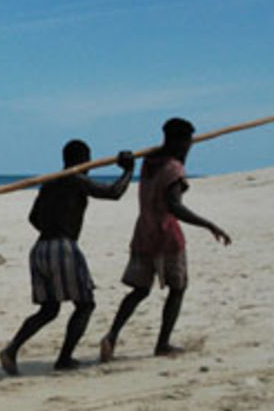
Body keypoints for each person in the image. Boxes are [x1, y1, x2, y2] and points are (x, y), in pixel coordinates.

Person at [99, 118, 231, 361]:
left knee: (139, 290)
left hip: (143, 232)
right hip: (167, 235)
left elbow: (170, 166)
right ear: (181, 141)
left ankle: (112, 335)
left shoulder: (150, 162)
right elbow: (175, 206)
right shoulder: (173, 169)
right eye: (188, 142)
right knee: (178, 288)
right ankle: (162, 344)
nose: (190, 147)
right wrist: (208, 224)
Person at [0, 141, 134, 375]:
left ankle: (12, 350)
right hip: (63, 247)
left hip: (40, 248)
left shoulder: (51, 182)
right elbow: (113, 193)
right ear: (84, 159)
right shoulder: (75, 178)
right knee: (85, 304)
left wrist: (52, 226)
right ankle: (64, 358)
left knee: (49, 309)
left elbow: (33, 218)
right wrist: (129, 171)